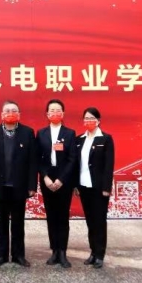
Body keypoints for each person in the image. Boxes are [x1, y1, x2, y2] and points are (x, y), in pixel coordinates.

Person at [0, 100, 37, 267]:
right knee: (1, 223)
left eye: (14, 110)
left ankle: (18, 255)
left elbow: (32, 161)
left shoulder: (28, 133)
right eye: (7, 110)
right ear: (1, 114)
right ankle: (1, 255)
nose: (10, 113)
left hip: (19, 186)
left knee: (18, 223)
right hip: (0, 186)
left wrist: (32, 185)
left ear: (19, 114)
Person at [36, 99, 77, 268]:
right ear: (47, 114)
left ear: (63, 113)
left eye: (58, 110)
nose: (55, 113)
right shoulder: (41, 133)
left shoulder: (70, 133)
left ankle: (63, 252)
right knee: (51, 216)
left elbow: (72, 159)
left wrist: (61, 179)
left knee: (63, 216)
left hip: (63, 179)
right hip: (47, 178)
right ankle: (54, 251)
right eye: (51, 110)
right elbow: (37, 158)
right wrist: (45, 177)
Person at [75, 107, 115, 269]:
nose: (89, 121)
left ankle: (100, 254)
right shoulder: (80, 139)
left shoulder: (105, 139)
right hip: (84, 186)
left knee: (99, 221)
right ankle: (92, 252)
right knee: (90, 221)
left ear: (98, 120)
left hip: (99, 188)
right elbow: (77, 165)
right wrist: (76, 185)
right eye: (86, 118)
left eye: (92, 118)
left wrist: (106, 187)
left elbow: (108, 165)